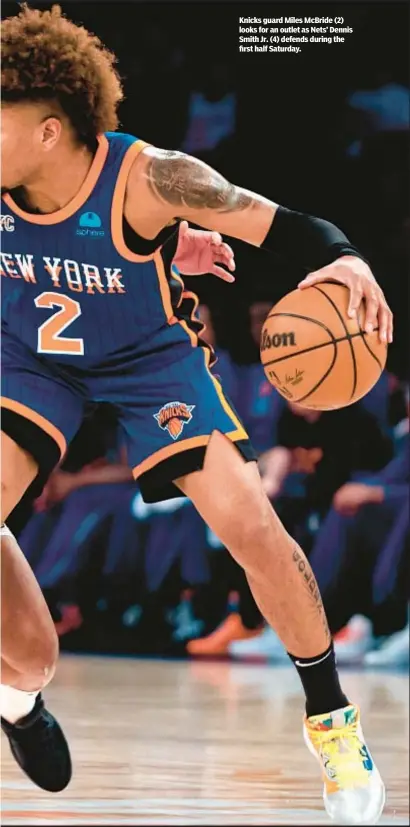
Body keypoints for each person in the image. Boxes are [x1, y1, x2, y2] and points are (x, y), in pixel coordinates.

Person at [1, 6, 393, 822]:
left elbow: (285, 226)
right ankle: (17, 699)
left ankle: (333, 724)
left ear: (48, 129)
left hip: (149, 361)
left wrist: (347, 259)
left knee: (249, 519)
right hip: (29, 359)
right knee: (31, 658)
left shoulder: (151, 179)